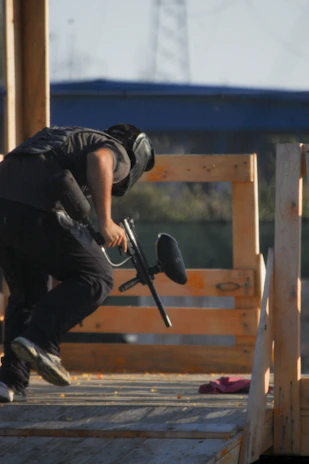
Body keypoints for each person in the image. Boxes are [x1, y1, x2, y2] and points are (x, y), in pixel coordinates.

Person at [0, 124, 155, 402]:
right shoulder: (116, 151)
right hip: (34, 208)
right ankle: (42, 339)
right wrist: (106, 222)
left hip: (5, 208)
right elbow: (100, 160)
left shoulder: (69, 137)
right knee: (97, 277)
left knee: (27, 295)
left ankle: (10, 382)